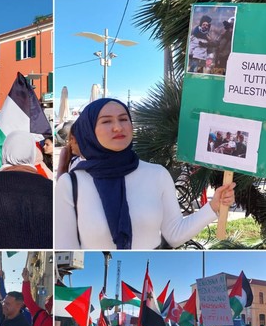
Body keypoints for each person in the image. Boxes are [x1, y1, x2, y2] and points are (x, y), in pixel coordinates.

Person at [55, 98, 235, 249]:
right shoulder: (71, 184)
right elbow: (65, 247)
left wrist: (213, 207)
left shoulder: (157, 175)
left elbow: (175, 234)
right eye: (106, 121)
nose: (118, 127)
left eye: (124, 119)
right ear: (89, 131)